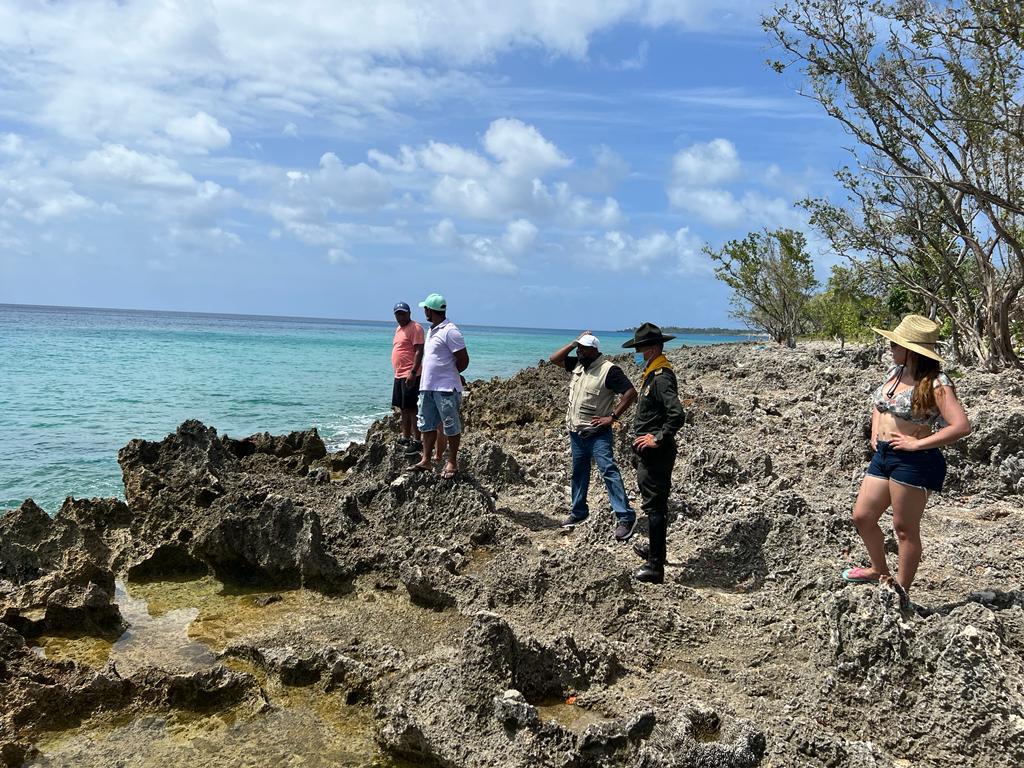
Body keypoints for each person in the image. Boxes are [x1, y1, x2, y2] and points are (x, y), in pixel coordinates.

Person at [842, 314, 971, 608]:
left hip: (915, 461)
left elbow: (961, 426)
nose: (890, 346)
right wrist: (876, 430)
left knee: (904, 529)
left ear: (911, 350)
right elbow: (880, 404)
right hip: (885, 455)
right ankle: (878, 570)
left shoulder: (937, 383)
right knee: (862, 516)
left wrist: (917, 443)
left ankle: (901, 592)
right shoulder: (895, 372)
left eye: (895, 343)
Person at [549, 331, 638, 540]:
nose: (579, 352)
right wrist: (573, 342)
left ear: (594, 350)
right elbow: (554, 359)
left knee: (608, 471)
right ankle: (578, 511)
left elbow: (630, 392)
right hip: (576, 431)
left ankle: (625, 516)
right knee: (578, 472)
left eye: (583, 348)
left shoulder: (609, 370)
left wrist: (612, 417)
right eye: (578, 348)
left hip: (597, 433)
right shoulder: (578, 365)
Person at [623, 323, 685, 584]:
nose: (638, 353)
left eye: (640, 349)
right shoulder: (652, 372)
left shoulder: (660, 376)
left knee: (655, 507)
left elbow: (677, 414)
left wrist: (656, 439)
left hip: (656, 454)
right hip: (650, 453)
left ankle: (655, 566)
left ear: (652, 349)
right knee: (654, 504)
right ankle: (656, 550)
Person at [407, 293, 469, 479]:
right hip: (428, 387)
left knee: (450, 425)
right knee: (427, 424)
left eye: (425, 308)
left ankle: (452, 461)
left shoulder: (451, 331)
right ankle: (426, 459)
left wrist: (450, 374)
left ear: (430, 310)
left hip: (446, 389)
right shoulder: (432, 329)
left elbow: (463, 361)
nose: (424, 312)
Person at [391, 301, 425, 456]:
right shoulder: (399, 329)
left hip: (411, 374)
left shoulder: (416, 328)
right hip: (399, 374)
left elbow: (419, 351)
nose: (400, 316)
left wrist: (413, 371)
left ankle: (417, 441)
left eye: (403, 313)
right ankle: (405, 436)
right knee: (403, 408)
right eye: (398, 313)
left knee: (413, 409)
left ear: (409, 313)